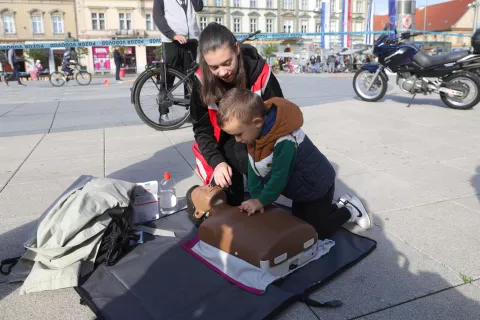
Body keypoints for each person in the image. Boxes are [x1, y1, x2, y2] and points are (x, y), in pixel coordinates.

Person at [216, 88, 372, 239]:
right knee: (299, 226)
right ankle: (338, 205)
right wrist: (257, 199)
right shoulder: (253, 135)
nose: (237, 140)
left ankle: (351, 209)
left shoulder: (284, 140)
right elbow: (253, 170)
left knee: (315, 234)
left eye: (238, 134)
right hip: (301, 191)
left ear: (257, 122)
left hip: (317, 187)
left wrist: (260, 201)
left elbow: (279, 177)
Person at [190, 23, 284, 206]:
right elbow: (202, 130)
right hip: (222, 141)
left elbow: (279, 115)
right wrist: (217, 163)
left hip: (256, 137)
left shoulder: (260, 73)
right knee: (226, 196)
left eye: (227, 63)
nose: (223, 72)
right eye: (214, 67)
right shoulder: (200, 81)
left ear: (237, 49)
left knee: (265, 187)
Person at [153, 0, 203, 122]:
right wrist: (172, 35)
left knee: (190, 78)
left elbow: (199, 7)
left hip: (191, 40)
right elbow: (157, 17)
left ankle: (190, 111)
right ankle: (163, 114)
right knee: (168, 76)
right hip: (172, 41)